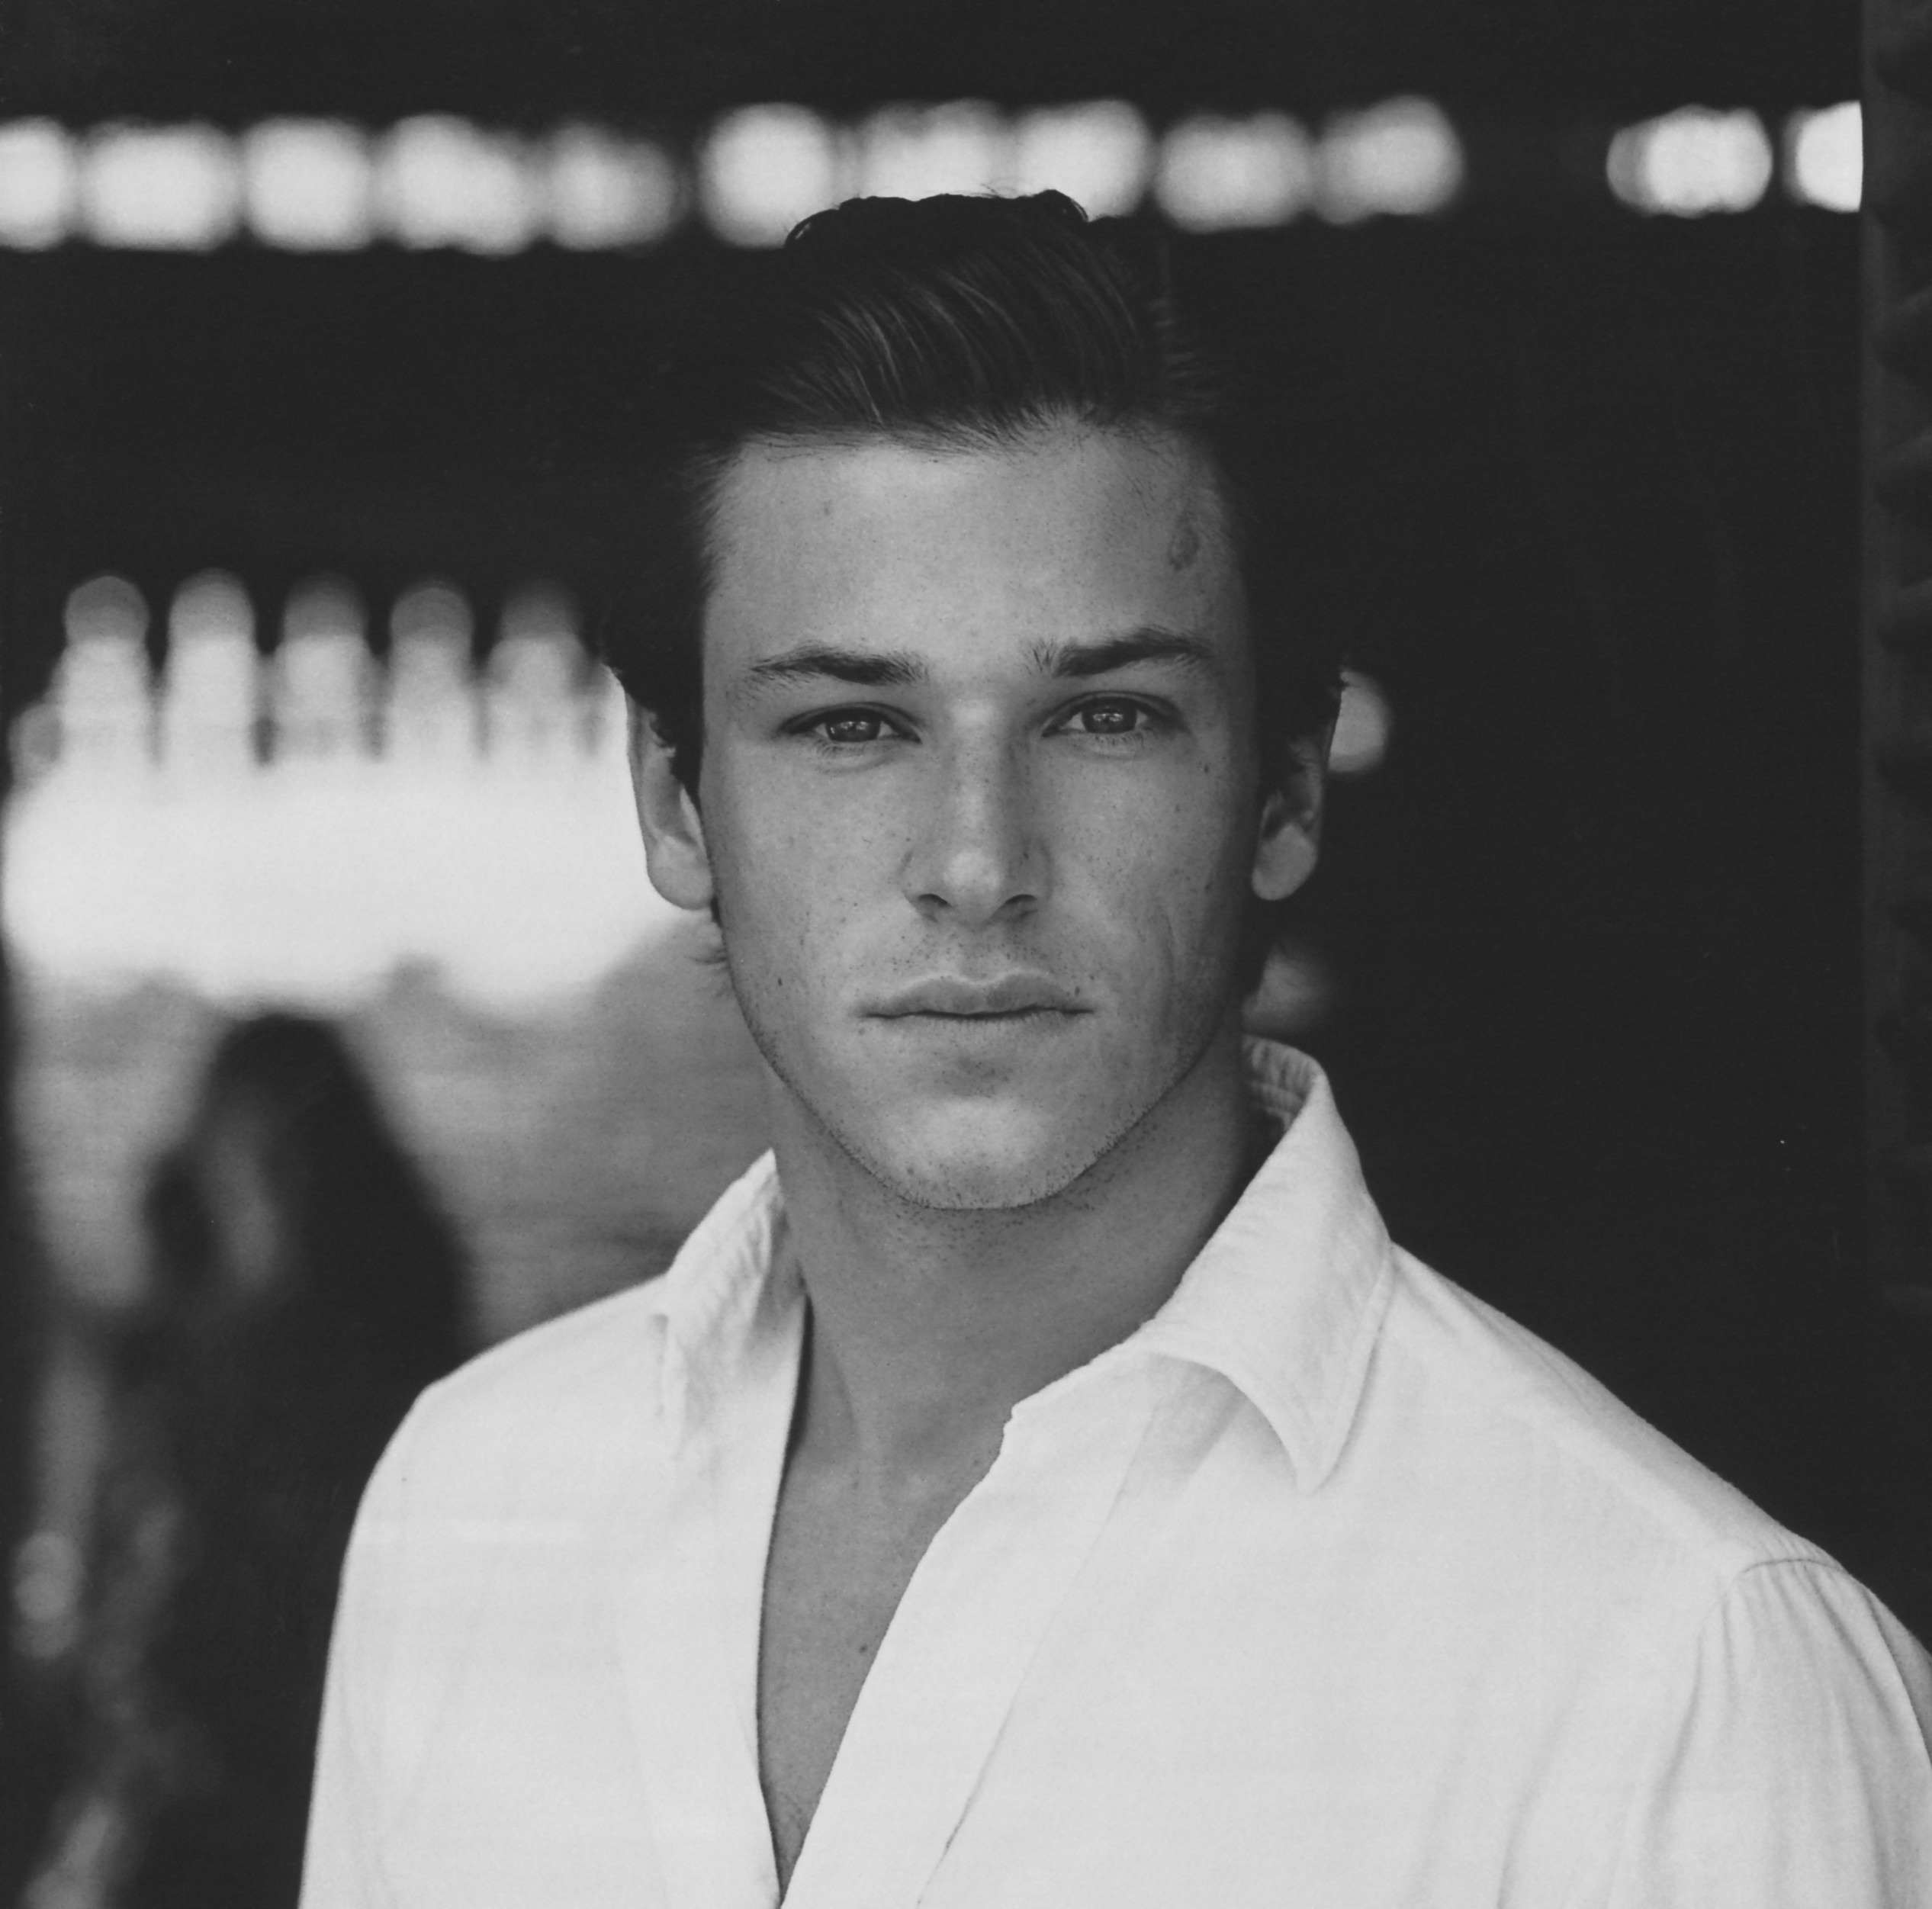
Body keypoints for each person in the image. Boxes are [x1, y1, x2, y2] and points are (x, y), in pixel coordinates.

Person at [299, 193, 1932, 1907]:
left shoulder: (1680, 1682)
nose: (977, 862)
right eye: (851, 724)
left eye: (1105, 717)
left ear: (1283, 791)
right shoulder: (472, 1506)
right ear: (674, 802)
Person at [28, 1012, 469, 1909]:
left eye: (290, 1160)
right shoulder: (145, 1380)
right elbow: (83, 1612)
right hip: (160, 1806)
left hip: (309, 1804)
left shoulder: (397, 1397)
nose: (270, 1190)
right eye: (250, 1160)